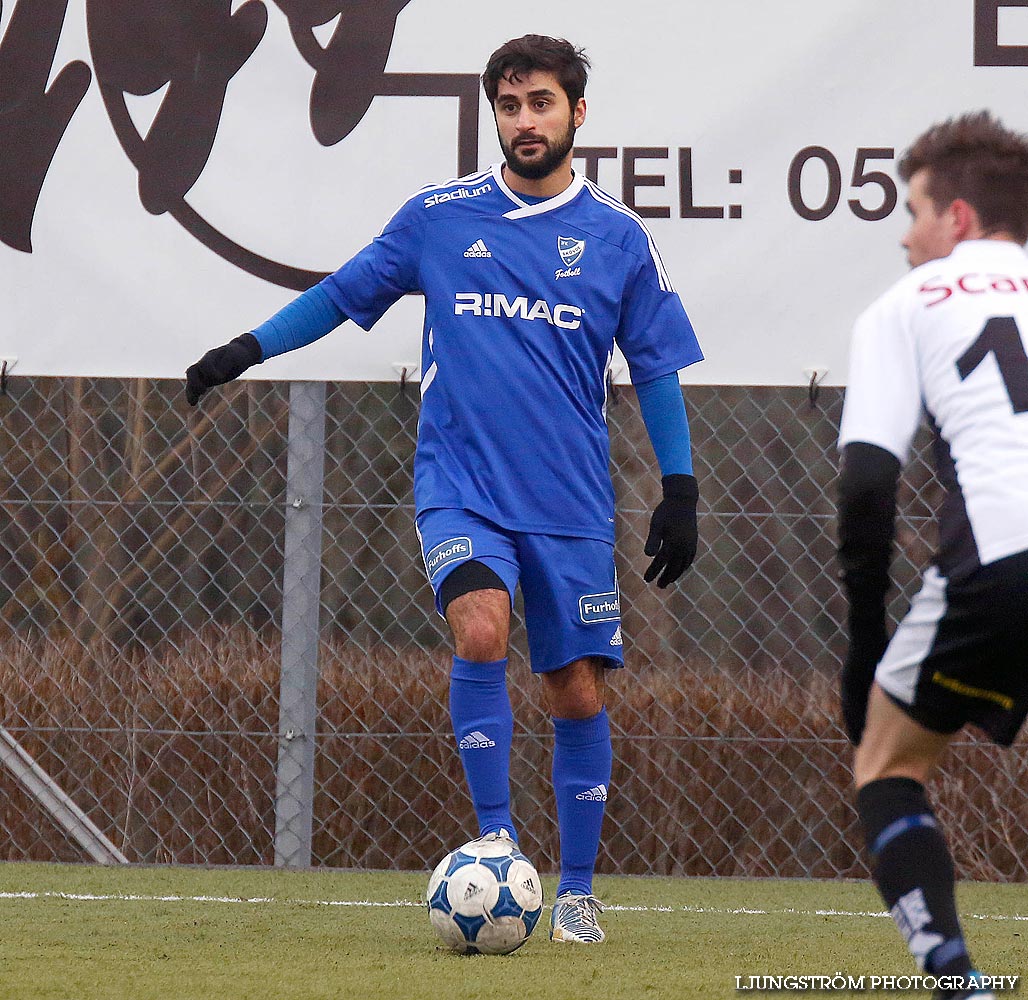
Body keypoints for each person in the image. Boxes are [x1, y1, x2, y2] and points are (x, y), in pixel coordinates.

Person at [185, 34, 703, 944]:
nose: (524, 121)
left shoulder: (619, 238)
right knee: (480, 628)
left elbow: (656, 367)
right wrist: (246, 350)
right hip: (460, 484)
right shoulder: (439, 218)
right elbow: (344, 294)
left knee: (576, 690)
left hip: (572, 504)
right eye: (509, 106)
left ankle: (577, 891)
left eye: (541, 103)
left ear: (577, 113)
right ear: (493, 116)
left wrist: (681, 487)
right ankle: (498, 846)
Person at [837, 110, 1028, 1000]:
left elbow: (870, 483)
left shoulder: (905, 306)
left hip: (999, 565)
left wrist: (864, 638)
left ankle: (956, 981)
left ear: (957, 218)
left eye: (912, 210)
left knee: (887, 766)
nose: (906, 237)